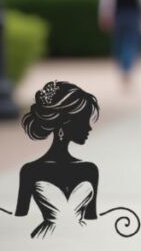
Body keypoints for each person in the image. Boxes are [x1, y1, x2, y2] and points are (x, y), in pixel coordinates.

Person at [15, 81, 101, 238]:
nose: (89, 128)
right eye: (84, 121)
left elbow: (91, 219)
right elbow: (20, 219)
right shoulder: (30, 171)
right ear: (64, 124)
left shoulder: (90, 170)